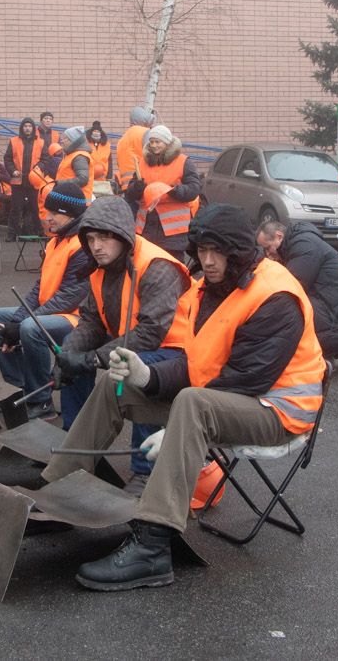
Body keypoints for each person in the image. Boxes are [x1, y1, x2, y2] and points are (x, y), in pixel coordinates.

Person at [42, 204, 326, 592]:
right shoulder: (208, 290)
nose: (207, 261)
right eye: (202, 251)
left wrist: (178, 421)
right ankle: (59, 489)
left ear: (238, 252)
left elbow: (247, 379)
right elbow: (198, 363)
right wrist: (148, 374)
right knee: (115, 382)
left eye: (216, 252)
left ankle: (153, 546)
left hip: (278, 411)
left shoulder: (275, 294)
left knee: (193, 403)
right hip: (224, 398)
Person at [55, 196, 190, 490]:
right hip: (127, 339)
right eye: (90, 238)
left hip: (174, 350)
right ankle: (76, 442)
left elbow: (151, 332)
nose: (96, 246)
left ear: (122, 235)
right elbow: (91, 320)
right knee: (72, 354)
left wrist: (94, 359)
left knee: (136, 371)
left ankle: (144, 471)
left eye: (104, 237)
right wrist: (69, 354)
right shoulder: (100, 266)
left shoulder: (156, 266)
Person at [0, 182, 91, 420]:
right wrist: (16, 319)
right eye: (47, 211)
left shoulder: (82, 246)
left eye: (54, 213)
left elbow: (69, 297)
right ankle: (18, 389)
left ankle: (41, 401)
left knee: (30, 328)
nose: (47, 217)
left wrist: (25, 321)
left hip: (74, 317)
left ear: (70, 214)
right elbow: (39, 287)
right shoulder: (57, 240)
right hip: (51, 311)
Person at [256, 220, 338, 359]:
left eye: (268, 248)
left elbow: (292, 288)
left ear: (279, 236)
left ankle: (323, 350)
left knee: (286, 306)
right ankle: (327, 348)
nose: (267, 254)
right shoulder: (297, 244)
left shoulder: (304, 246)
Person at [124, 125, 202, 258]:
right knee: (147, 263)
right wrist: (136, 188)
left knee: (172, 267)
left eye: (157, 142)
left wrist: (174, 190)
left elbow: (194, 189)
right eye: (151, 141)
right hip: (147, 227)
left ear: (167, 143)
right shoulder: (142, 163)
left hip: (173, 232)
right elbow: (130, 194)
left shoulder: (183, 162)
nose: (154, 145)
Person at [3, 117, 45, 236]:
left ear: (33, 128)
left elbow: (45, 159)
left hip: (34, 181)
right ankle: (12, 234)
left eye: (30, 126)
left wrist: (39, 167)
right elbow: (7, 159)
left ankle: (39, 233)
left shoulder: (41, 142)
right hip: (18, 181)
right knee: (16, 209)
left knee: (35, 208)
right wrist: (13, 170)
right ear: (22, 128)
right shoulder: (14, 141)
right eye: (25, 126)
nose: (27, 128)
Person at [116, 106, 156, 190]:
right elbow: (153, 156)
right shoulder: (145, 132)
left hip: (126, 185)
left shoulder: (122, 138)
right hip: (141, 182)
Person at [54, 126, 95, 202]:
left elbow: (82, 179)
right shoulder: (71, 155)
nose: (62, 141)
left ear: (73, 141)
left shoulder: (79, 156)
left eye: (65, 138)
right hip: (71, 200)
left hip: (77, 202)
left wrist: (59, 184)